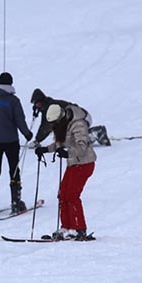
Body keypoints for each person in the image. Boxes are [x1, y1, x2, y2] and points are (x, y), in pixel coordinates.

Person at [35, 102, 96, 241]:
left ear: (61, 117)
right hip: (74, 163)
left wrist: (68, 153)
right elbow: (61, 144)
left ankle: (78, 229)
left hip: (84, 163)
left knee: (72, 195)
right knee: (63, 194)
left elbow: (82, 147)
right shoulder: (64, 124)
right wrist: (45, 149)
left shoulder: (78, 124)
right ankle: (66, 227)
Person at [0, 72, 34, 216]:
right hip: (10, 141)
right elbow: (19, 120)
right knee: (13, 170)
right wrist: (27, 134)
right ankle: (16, 202)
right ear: (11, 83)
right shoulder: (13, 100)